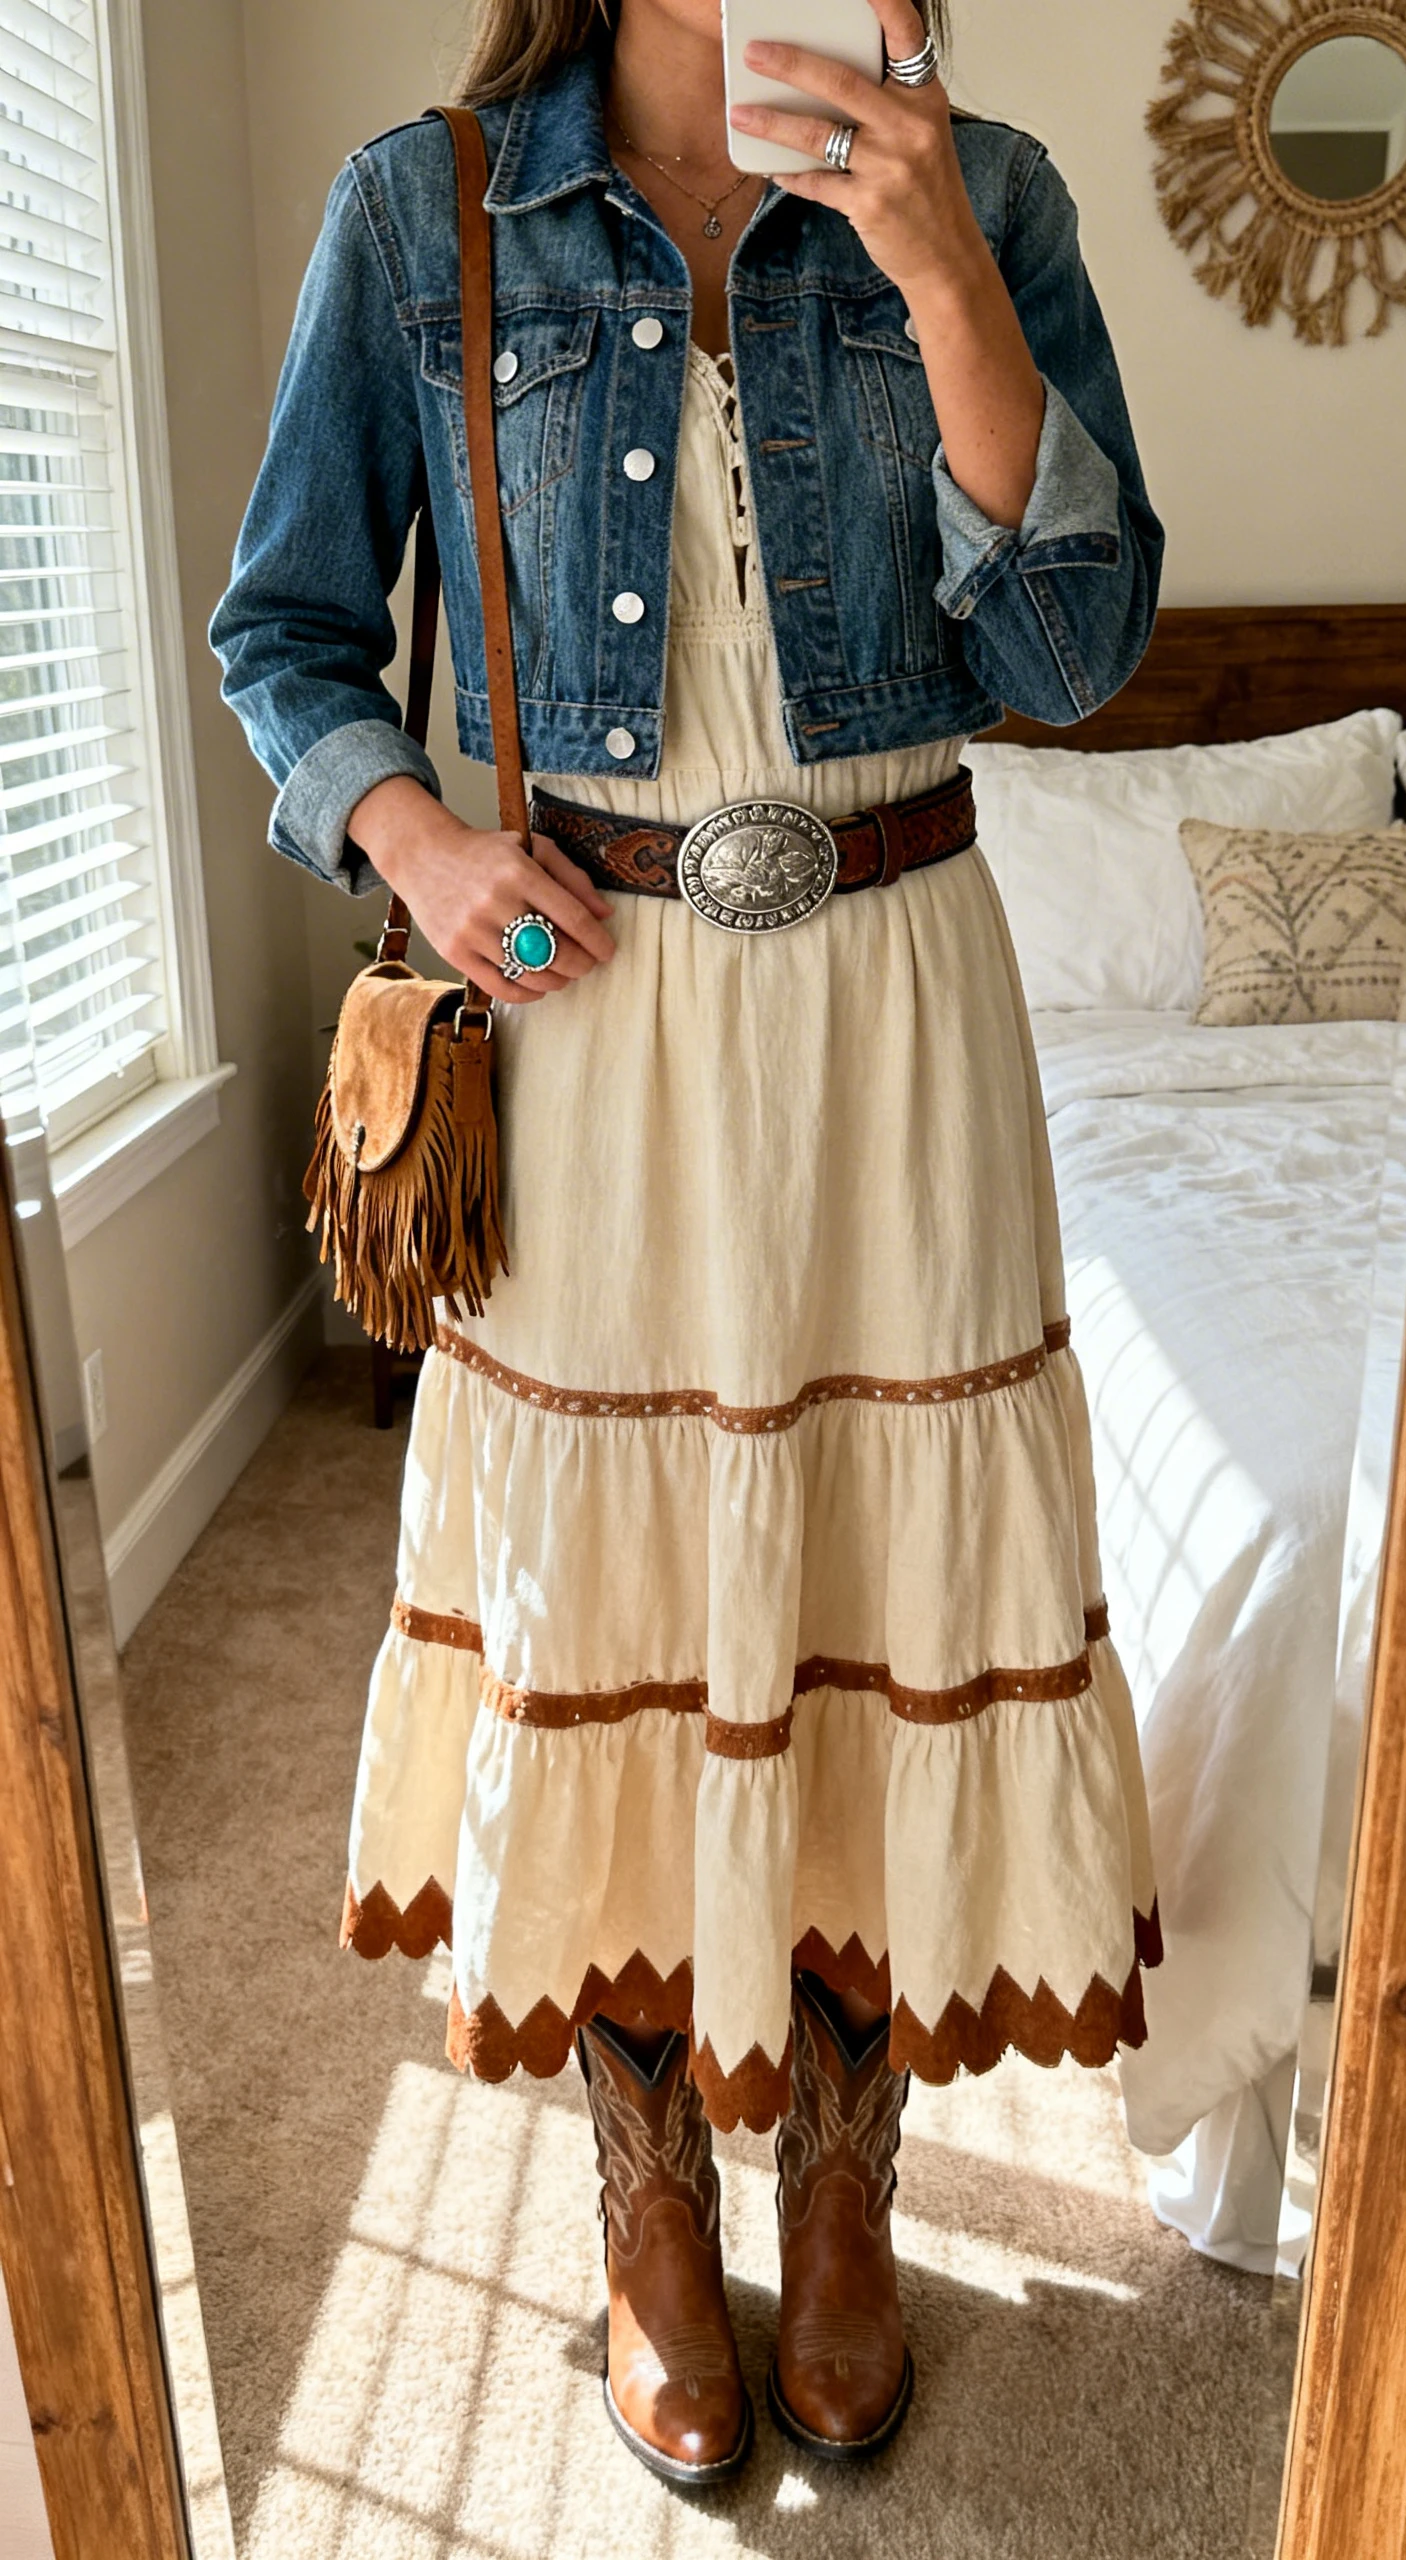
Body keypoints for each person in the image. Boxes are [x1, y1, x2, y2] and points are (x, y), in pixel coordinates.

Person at [212, 0, 1164, 2486]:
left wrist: (941, 260)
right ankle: (651, 2202)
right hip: (594, 1020)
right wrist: (419, 850)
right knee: (612, 1609)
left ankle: (842, 2181)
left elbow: (1065, 653)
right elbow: (285, 635)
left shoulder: (998, 189)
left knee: (862, 1578)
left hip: (899, 1004)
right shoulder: (425, 209)